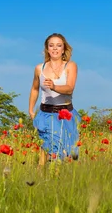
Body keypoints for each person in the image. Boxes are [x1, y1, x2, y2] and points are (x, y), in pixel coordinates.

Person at [29, 33, 80, 163]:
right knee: (47, 146)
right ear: (47, 48)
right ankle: (41, 174)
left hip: (65, 115)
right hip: (45, 114)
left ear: (63, 49)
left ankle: (57, 177)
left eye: (58, 45)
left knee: (65, 152)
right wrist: (31, 109)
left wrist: (54, 86)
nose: (55, 48)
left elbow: (70, 88)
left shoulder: (70, 66)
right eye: (51, 45)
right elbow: (35, 88)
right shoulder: (39, 68)